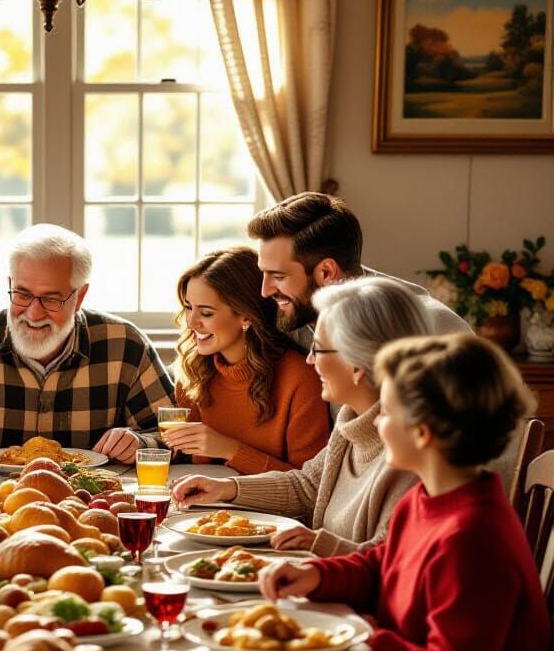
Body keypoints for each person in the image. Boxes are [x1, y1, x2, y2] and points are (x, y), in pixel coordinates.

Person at [259, 334, 549, 651]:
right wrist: (319, 578)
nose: (375, 421)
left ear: (423, 431)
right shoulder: (431, 496)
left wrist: (363, 635)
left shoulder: (473, 539)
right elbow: (382, 562)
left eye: (386, 410)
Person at [173, 277, 429, 556]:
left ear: (356, 364)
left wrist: (316, 544)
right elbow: (307, 485)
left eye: (318, 349)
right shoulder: (352, 421)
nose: (309, 360)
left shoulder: (406, 453)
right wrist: (225, 488)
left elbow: (391, 560)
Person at [0, 224, 176, 462]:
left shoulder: (125, 345)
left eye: (50, 298)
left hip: (89, 503)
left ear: (80, 297)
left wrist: (140, 442)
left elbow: (174, 438)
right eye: (22, 294)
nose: (33, 314)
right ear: (10, 283)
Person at [169, 247, 330, 473]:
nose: (192, 322)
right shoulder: (193, 372)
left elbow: (310, 484)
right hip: (205, 505)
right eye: (188, 307)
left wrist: (231, 450)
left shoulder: (299, 379)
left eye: (206, 313)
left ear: (245, 315)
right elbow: (189, 465)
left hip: (270, 508)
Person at [248, 191, 470, 348]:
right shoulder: (288, 315)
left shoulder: (433, 329)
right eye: (264, 273)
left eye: (278, 276)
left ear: (326, 272)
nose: (265, 291)